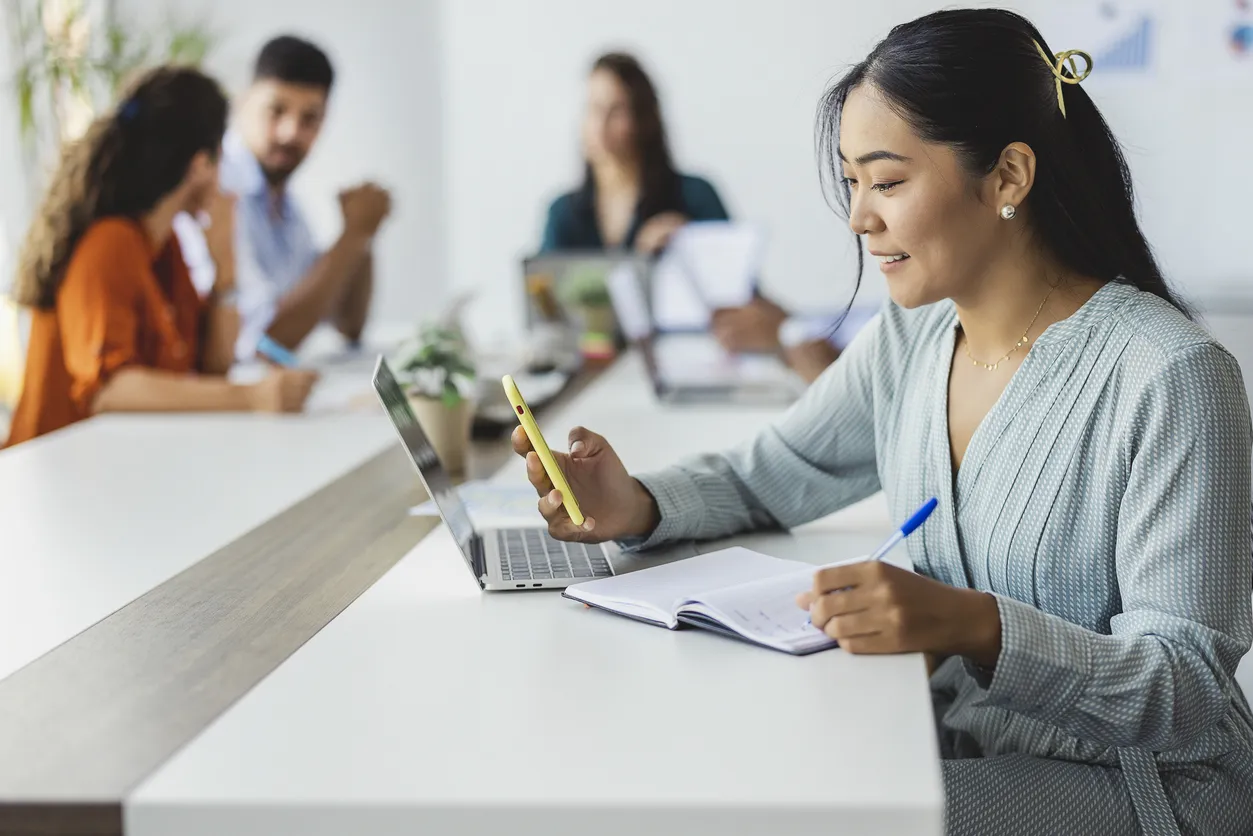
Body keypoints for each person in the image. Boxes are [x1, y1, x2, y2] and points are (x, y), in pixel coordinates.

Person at [512, 9, 1253, 835]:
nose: (859, 217)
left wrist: (970, 623)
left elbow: (1181, 686)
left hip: (1143, 789)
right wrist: (636, 502)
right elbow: (774, 470)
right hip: (955, 738)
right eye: (851, 181)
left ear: (1007, 176)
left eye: (887, 181)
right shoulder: (914, 335)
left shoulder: (1171, 376)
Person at [4, 67, 318, 448]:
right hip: (56, 475)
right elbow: (111, 391)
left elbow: (210, 367)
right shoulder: (110, 243)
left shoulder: (164, 247)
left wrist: (225, 274)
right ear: (201, 164)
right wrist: (254, 396)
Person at [175, 35, 392, 363]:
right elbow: (266, 344)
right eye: (276, 110)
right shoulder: (218, 191)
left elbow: (349, 324)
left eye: (310, 118)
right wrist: (352, 236)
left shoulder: (289, 208)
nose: (290, 132)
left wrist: (363, 234)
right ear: (243, 101)